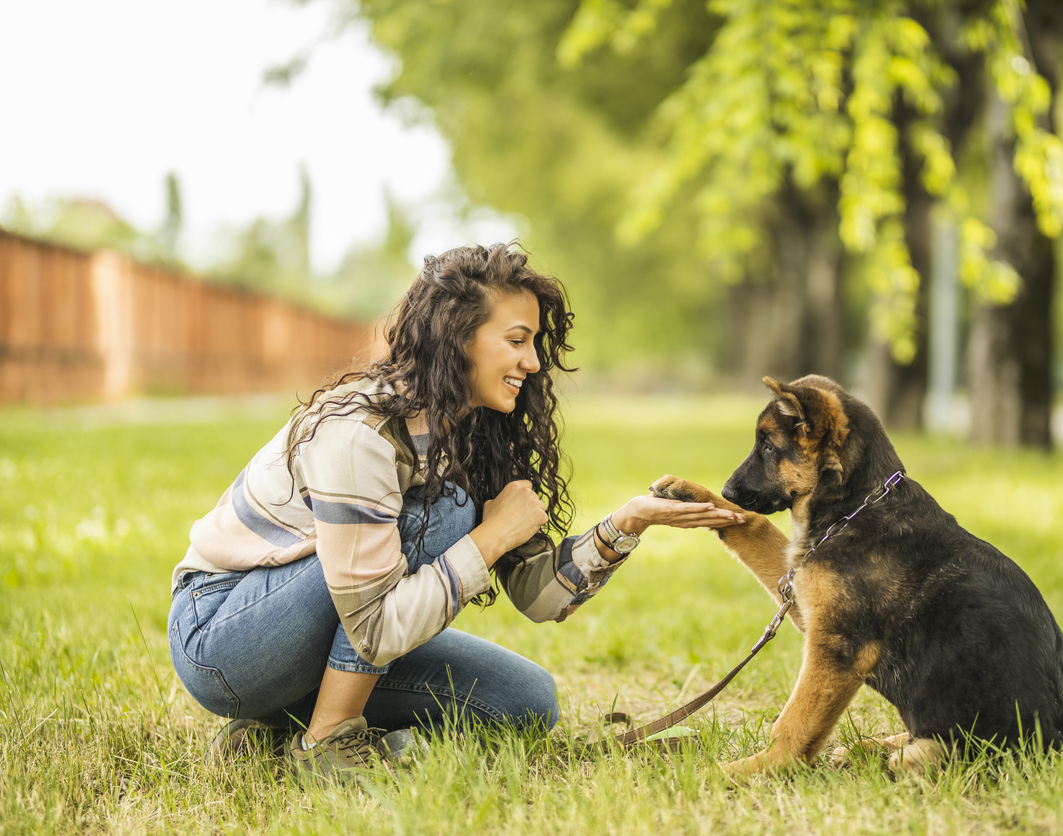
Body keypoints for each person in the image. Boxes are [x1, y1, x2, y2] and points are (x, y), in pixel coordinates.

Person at [167, 243, 744, 777]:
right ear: (458, 338)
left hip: (326, 629)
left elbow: (541, 597)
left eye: (534, 343)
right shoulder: (362, 434)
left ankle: (276, 728)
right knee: (442, 513)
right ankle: (330, 743)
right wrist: (487, 539)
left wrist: (629, 522)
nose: (535, 363)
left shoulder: (474, 433)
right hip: (223, 640)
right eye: (516, 341)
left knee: (524, 704)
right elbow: (372, 627)